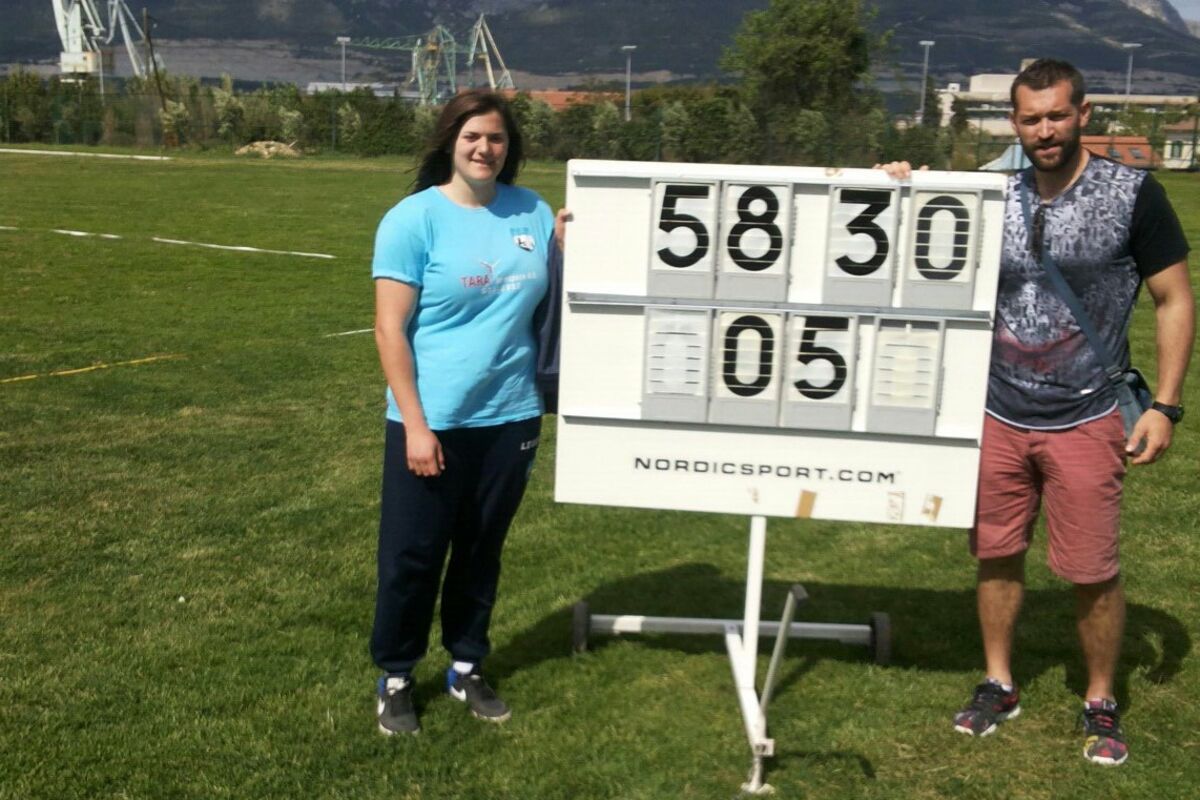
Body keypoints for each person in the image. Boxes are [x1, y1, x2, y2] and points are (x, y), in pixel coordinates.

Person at [880, 59, 1193, 765]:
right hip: (996, 411)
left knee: (1091, 568)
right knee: (995, 553)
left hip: (1088, 414)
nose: (1045, 131)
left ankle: (1101, 697)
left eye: (1056, 116)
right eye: (1030, 119)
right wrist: (898, 185)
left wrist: (1166, 407)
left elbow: (1174, 298)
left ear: (1083, 114)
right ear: (1014, 124)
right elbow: (913, 244)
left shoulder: (1132, 194)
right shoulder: (991, 193)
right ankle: (998, 682)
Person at [369, 90, 564, 735]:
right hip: (433, 421)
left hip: (511, 416)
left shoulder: (533, 211)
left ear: (510, 147)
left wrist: (569, 244)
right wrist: (415, 425)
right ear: (450, 140)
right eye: (473, 136)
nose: (485, 148)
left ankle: (466, 665)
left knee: (482, 551)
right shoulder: (412, 220)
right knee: (412, 557)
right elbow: (389, 330)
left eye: (497, 138)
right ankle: (397, 675)